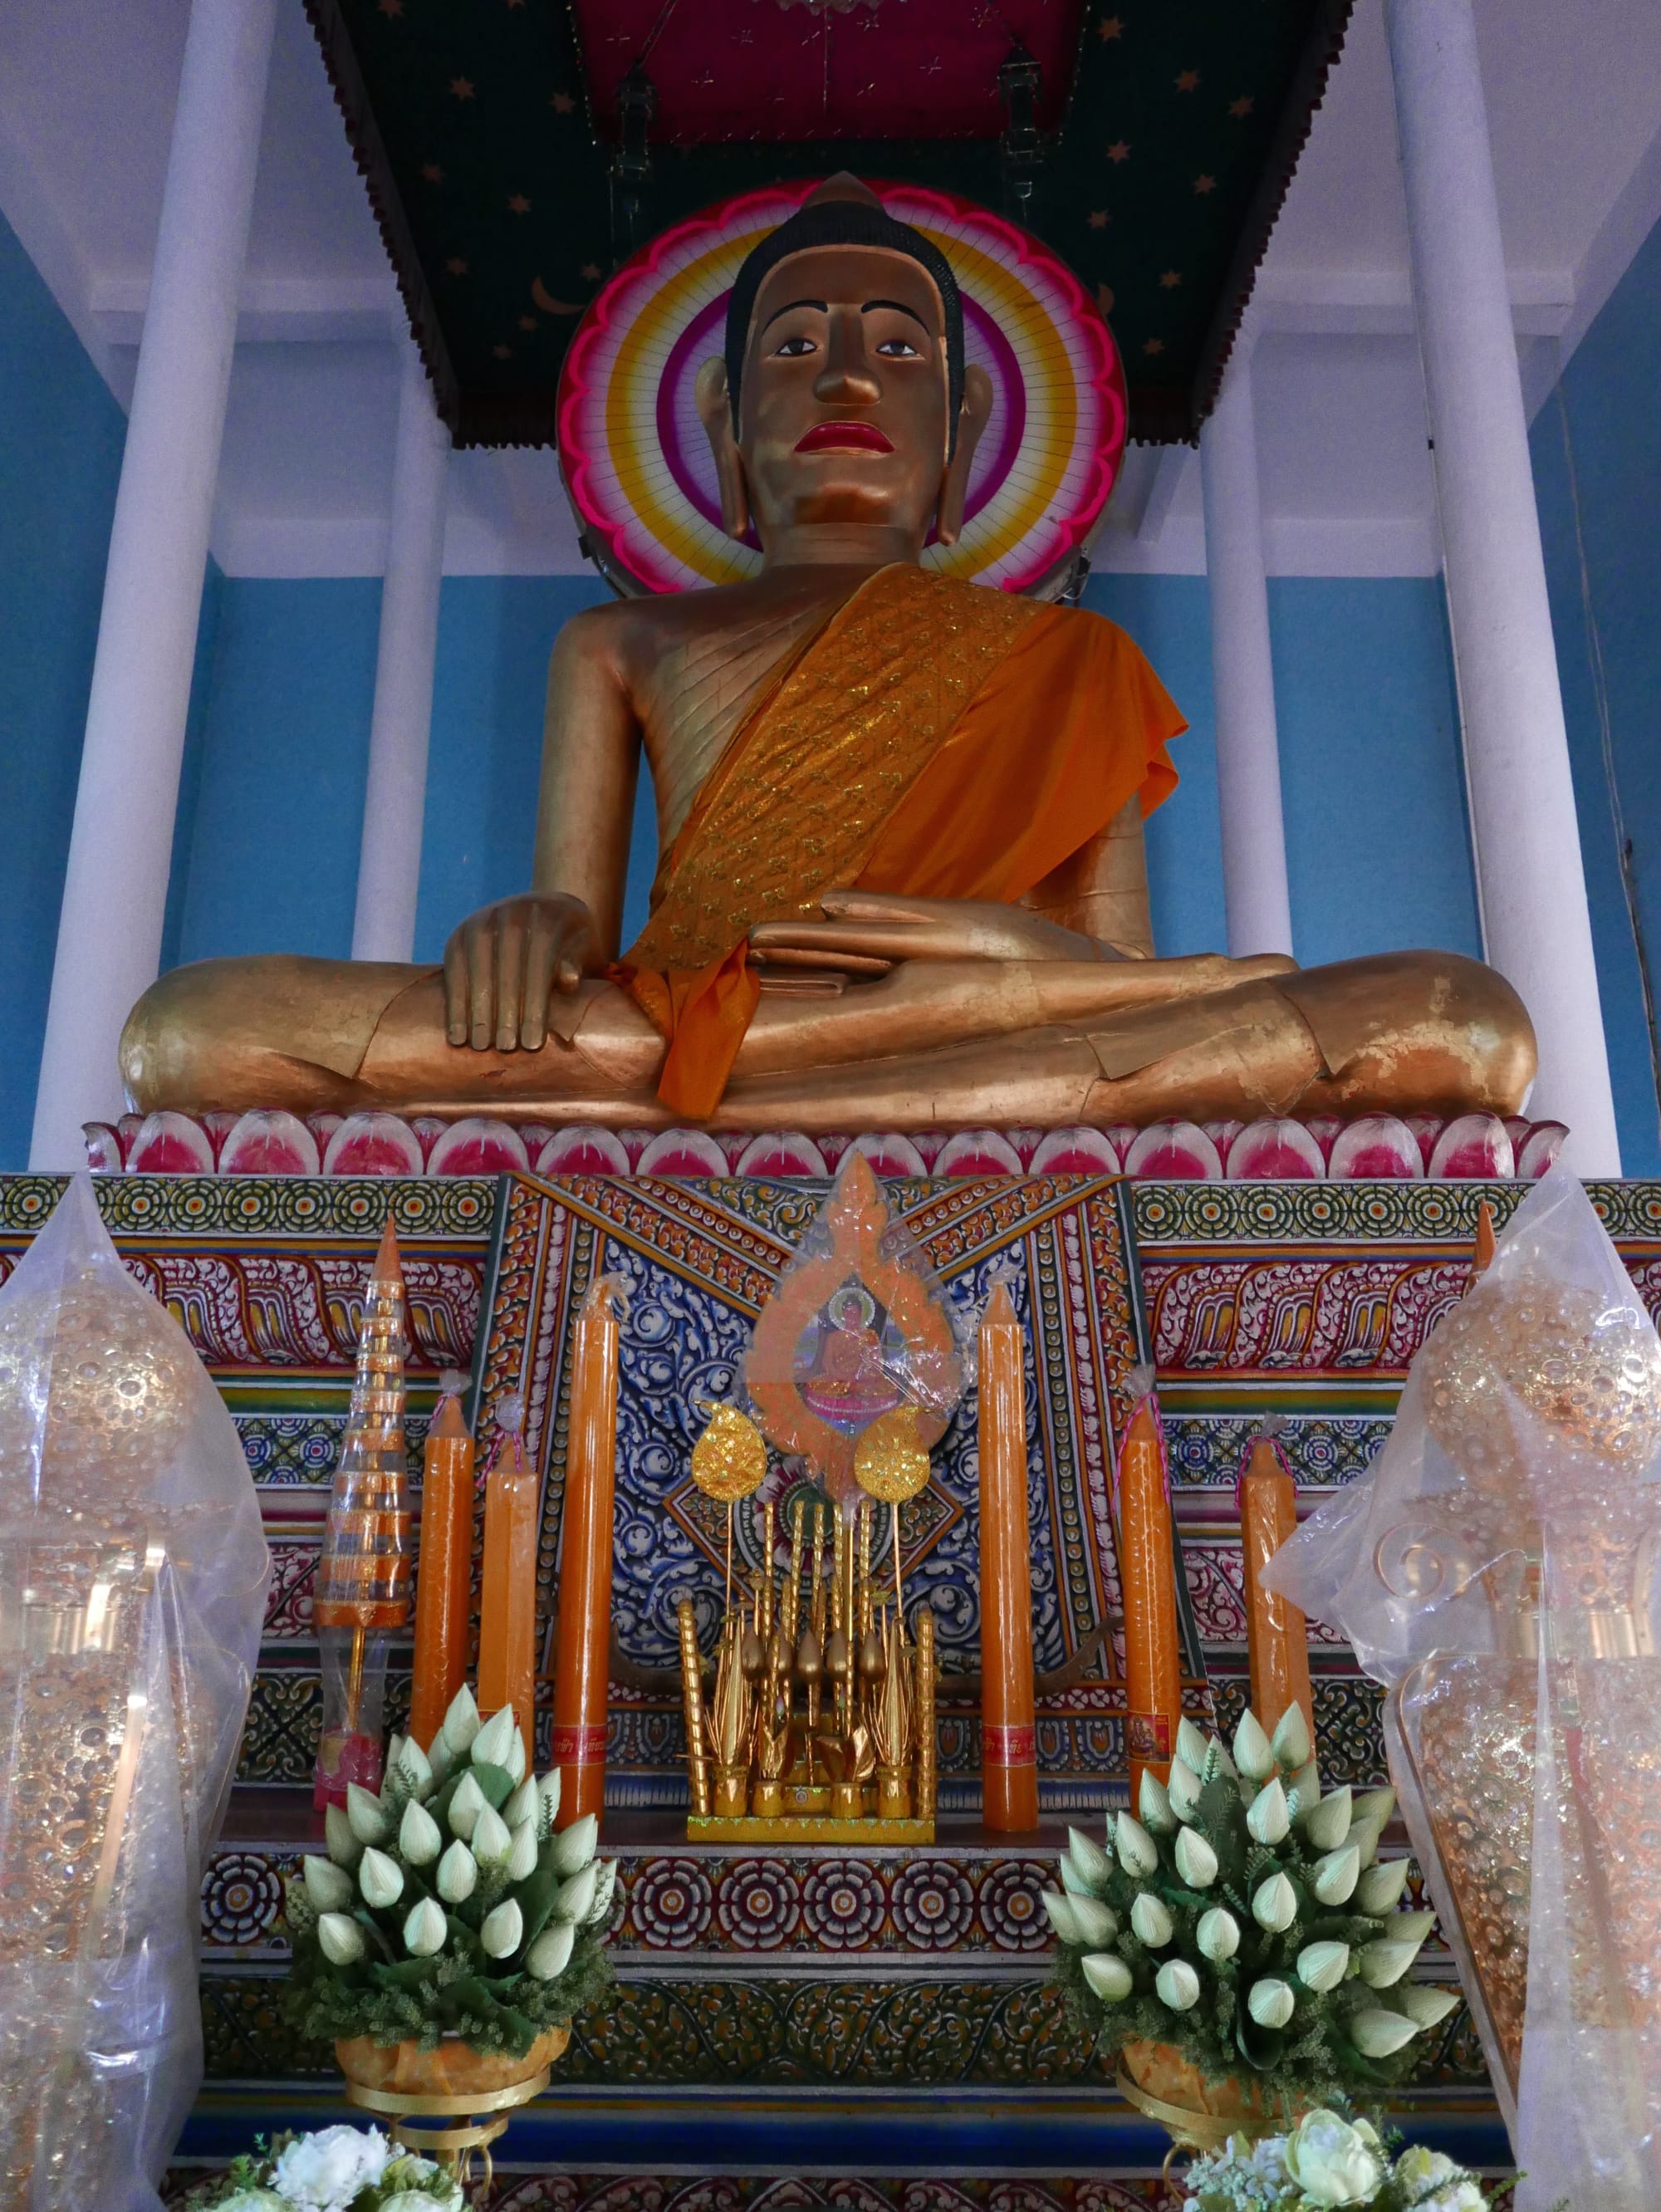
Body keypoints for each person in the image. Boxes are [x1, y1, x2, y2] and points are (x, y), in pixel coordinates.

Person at [122, 177, 1533, 1132]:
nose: (848, 376)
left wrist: (995, 959)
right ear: (732, 437)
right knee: (196, 1027)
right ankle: (828, 1111)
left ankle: (792, 1112)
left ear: (962, 435)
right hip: (671, 1035)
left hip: (995, 1026)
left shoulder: (1068, 657)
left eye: (897, 348)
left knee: (1457, 1016)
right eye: (795, 347)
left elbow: (1119, 980)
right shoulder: (622, 638)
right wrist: (539, 926)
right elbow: (584, 925)